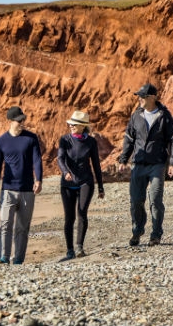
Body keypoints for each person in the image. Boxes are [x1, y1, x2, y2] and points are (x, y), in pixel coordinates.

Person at [116, 83, 173, 247]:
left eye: (142, 96)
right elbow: (129, 139)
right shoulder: (136, 116)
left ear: (152, 98)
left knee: (155, 199)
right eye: (139, 96)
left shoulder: (164, 116)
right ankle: (137, 231)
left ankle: (156, 234)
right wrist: (123, 159)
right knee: (136, 200)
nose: (139, 99)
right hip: (137, 165)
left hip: (157, 165)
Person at [0, 106, 43, 265]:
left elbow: (37, 160)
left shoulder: (31, 138)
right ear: (11, 121)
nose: (22, 122)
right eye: (19, 120)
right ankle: (4, 257)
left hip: (27, 190)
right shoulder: (1, 141)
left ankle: (18, 259)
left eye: (23, 120)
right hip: (7, 190)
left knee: (22, 227)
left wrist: (38, 179)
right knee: (5, 224)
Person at [56, 110, 104, 260]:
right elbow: (60, 159)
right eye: (70, 124)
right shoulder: (65, 140)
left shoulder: (91, 142)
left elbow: (96, 164)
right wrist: (65, 172)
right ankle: (70, 249)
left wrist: (101, 187)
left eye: (74, 124)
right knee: (69, 218)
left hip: (85, 182)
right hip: (67, 184)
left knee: (82, 212)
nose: (71, 126)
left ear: (83, 126)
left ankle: (79, 247)